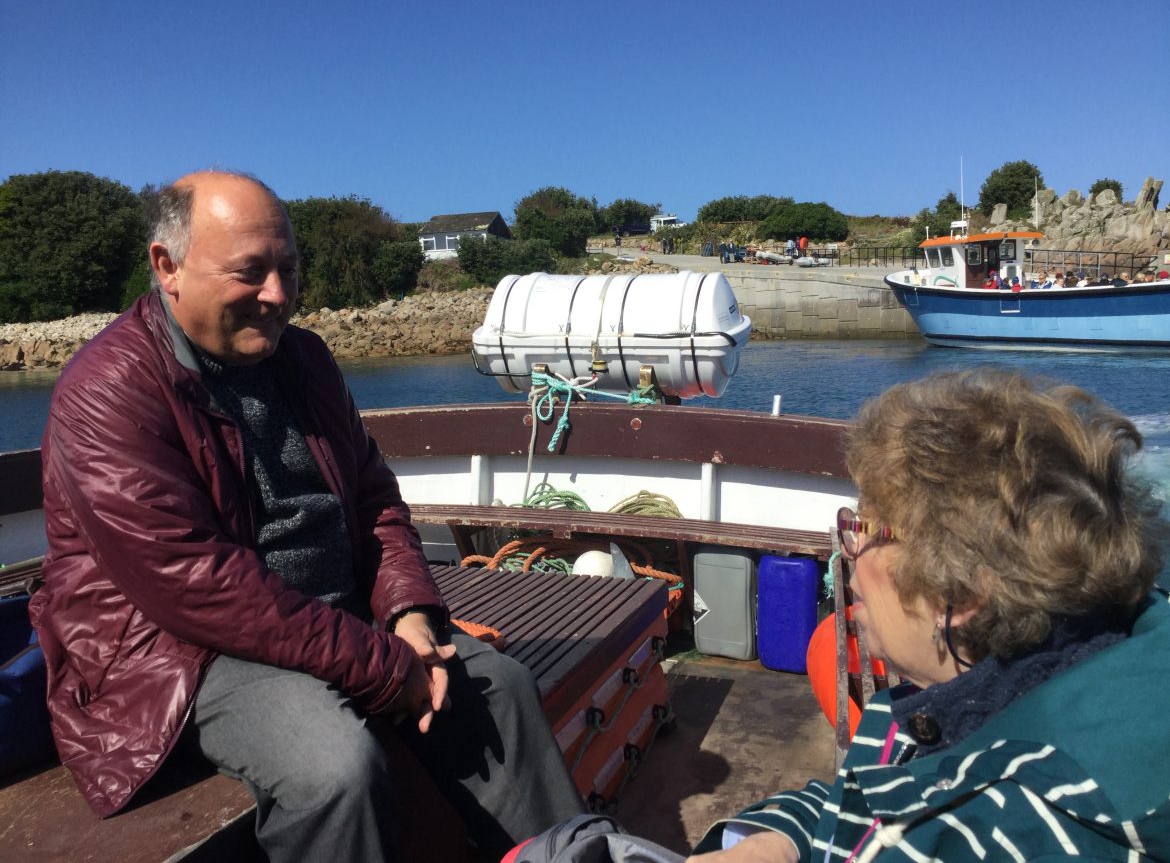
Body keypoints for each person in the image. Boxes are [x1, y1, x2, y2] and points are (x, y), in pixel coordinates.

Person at [31, 171, 584, 861]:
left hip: (332, 615)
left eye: (287, 269)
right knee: (333, 769)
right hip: (186, 651)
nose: (277, 296)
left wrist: (410, 615)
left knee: (499, 687)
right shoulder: (107, 394)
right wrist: (385, 664)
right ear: (166, 266)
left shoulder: (307, 359)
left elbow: (375, 502)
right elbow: (196, 586)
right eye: (250, 273)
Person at [522, 369, 1170, 862]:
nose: (848, 556)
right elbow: (871, 798)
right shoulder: (984, 683)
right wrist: (773, 840)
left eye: (864, 530)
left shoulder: (1003, 832)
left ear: (967, 591)